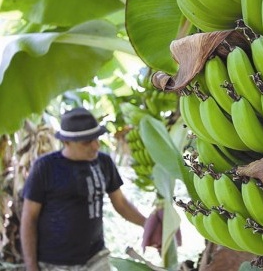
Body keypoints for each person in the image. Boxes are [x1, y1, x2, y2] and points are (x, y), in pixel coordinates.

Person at [20, 107, 160, 271]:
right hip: (55, 264)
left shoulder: (104, 162)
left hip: (96, 258)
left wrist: (149, 225)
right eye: (87, 142)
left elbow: (120, 203)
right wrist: (31, 266)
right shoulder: (45, 167)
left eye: (96, 138)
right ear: (66, 142)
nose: (95, 146)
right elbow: (29, 218)